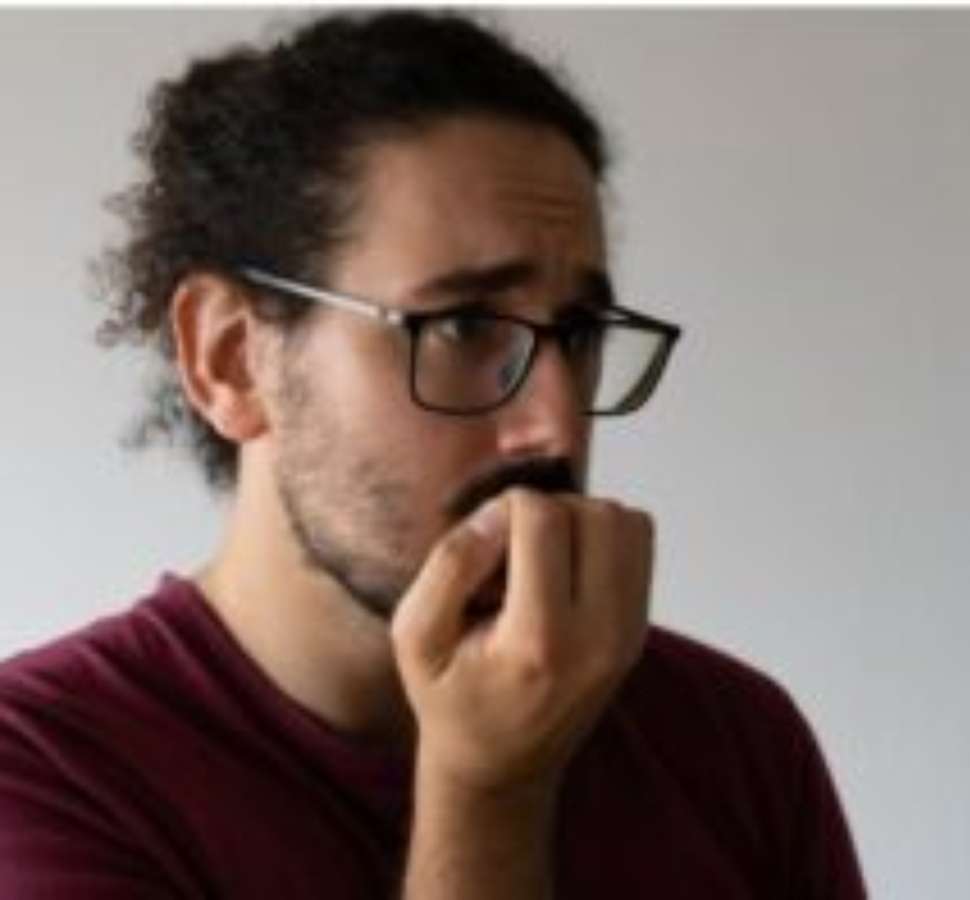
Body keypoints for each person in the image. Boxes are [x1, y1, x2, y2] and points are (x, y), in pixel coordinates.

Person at [0, 10, 866, 899]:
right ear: (231, 359)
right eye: (462, 326)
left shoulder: (736, 743)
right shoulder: (41, 773)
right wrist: (490, 792)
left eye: (576, 333)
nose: (556, 427)